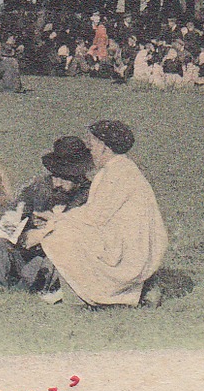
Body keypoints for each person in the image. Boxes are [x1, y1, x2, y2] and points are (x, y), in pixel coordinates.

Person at [32, 120, 168, 307]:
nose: (91, 151)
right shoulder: (117, 168)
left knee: (61, 233)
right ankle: (75, 291)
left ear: (104, 148)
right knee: (62, 226)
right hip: (128, 240)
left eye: (93, 145)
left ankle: (79, 296)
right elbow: (95, 212)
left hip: (130, 248)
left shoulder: (118, 172)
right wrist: (56, 218)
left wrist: (54, 223)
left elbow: (94, 218)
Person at [0, 136, 94, 295]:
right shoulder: (42, 185)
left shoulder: (88, 195)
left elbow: (81, 233)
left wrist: (46, 233)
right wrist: (10, 217)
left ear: (78, 176)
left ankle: (24, 285)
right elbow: (16, 207)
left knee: (43, 267)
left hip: (54, 257)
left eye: (64, 178)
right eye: (54, 175)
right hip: (26, 251)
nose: (57, 183)